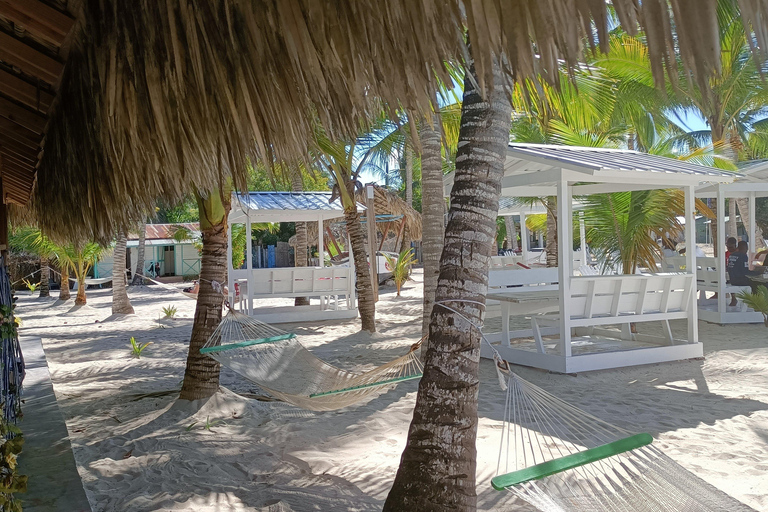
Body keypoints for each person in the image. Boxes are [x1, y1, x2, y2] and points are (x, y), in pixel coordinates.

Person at [727, 241, 761, 306]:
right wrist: (757, 273)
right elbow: (745, 272)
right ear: (746, 248)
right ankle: (755, 303)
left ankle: (735, 300)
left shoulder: (731, 255)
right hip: (740, 281)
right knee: (757, 283)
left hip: (732, 280)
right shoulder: (743, 256)